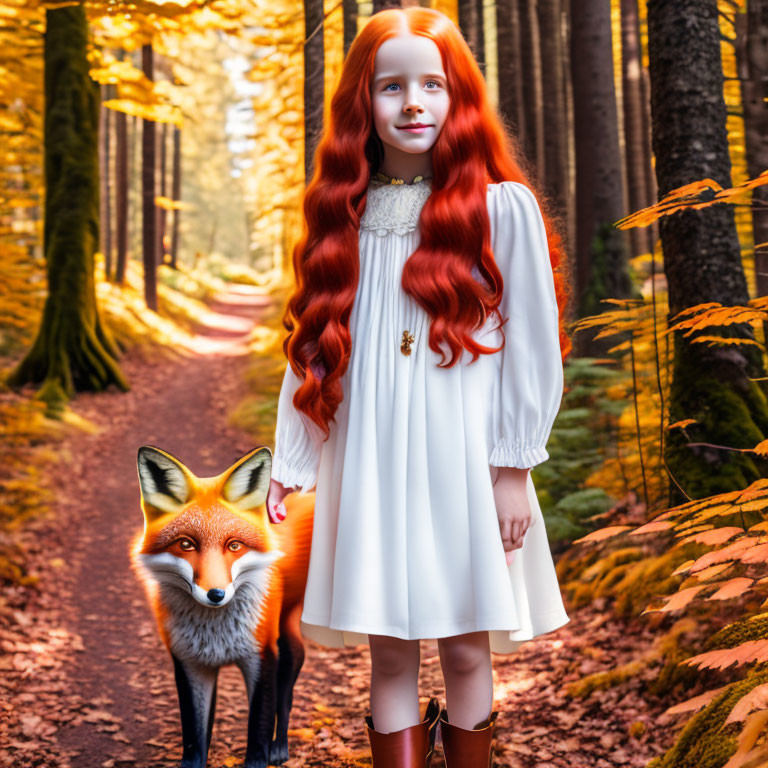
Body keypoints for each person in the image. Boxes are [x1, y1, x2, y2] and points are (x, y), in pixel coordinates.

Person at [265, 7, 572, 767]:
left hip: (465, 465)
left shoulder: (501, 209)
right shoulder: (346, 217)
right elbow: (313, 349)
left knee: (468, 652)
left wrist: (511, 470)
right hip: (370, 465)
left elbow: (531, 348)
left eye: (432, 84)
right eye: (391, 86)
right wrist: (292, 462)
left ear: (457, 96)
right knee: (391, 659)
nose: (412, 104)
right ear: (360, 105)